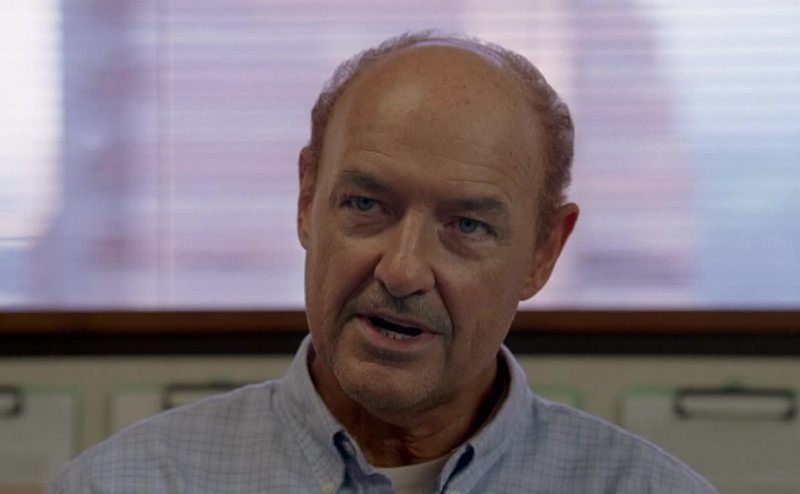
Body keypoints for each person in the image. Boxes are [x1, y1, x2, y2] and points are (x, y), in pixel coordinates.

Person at [49, 32, 717, 494]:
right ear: (307, 201)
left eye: (467, 225)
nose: (401, 272)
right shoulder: (127, 483)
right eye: (366, 204)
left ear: (543, 253)